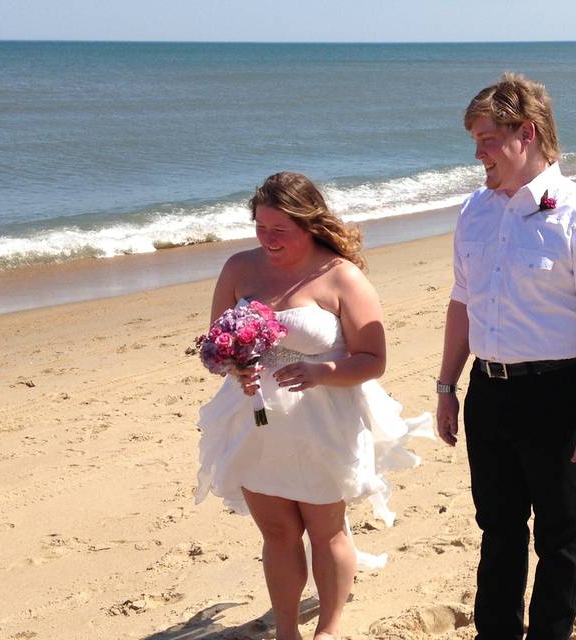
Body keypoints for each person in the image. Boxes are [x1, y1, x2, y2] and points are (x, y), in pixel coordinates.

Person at [435, 73, 576, 640]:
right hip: (487, 395)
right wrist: (448, 386)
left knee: (560, 535)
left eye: (486, 139)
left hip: (559, 395)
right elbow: (462, 302)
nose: (477, 154)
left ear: (527, 132)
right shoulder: (474, 210)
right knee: (497, 530)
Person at [196, 172, 431, 640]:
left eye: (279, 230)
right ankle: (287, 629)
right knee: (278, 534)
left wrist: (323, 372)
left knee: (326, 531)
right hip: (258, 421)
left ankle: (328, 628)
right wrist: (236, 368)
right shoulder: (239, 268)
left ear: (308, 224)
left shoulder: (341, 275)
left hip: (325, 424)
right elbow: (217, 346)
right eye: (261, 228)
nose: (268, 240)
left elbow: (374, 359)